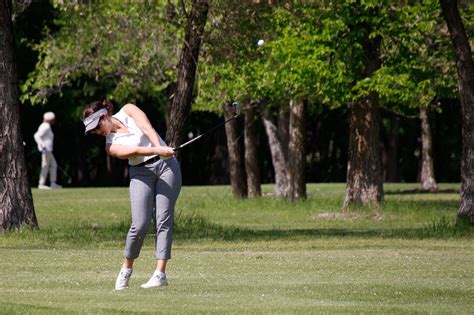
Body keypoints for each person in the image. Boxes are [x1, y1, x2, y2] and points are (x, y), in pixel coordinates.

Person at [82, 100, 182, 290]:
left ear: (104, 116)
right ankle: (126, 269)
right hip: (140, 173)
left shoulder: (128, 109)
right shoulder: (110, 146)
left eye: (97, 126)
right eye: (93, 131)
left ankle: (160, 274)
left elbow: (147, 127)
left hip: (167, 167)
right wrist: (158, 149)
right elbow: (135, 151)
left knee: (164, 219)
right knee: (140, 224)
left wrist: (162, 150)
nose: (97, 132)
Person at [34, 111, 62, 189]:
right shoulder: (45, 126)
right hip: (45, 150)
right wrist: (42, 145)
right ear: (50, 119)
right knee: (45, 166)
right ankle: (41, 184)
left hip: (48, 150)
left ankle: (53, 183)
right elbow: (36, 136)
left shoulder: (46, 125)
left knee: (54, 165)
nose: (54, 120)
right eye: (53, 119)